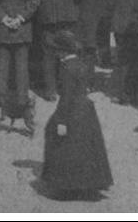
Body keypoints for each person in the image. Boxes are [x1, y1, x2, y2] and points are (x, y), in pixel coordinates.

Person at [42, 40, 113, 200]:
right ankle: (89, 184)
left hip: (72, 110)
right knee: (87, 146)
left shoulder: (66, 68)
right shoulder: (82, 63)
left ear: (63, 51)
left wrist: (61, 120)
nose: (55, 54)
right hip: (86, 110)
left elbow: (66, 97)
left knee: (59, 140)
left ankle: (66, 186)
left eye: (57, 50)